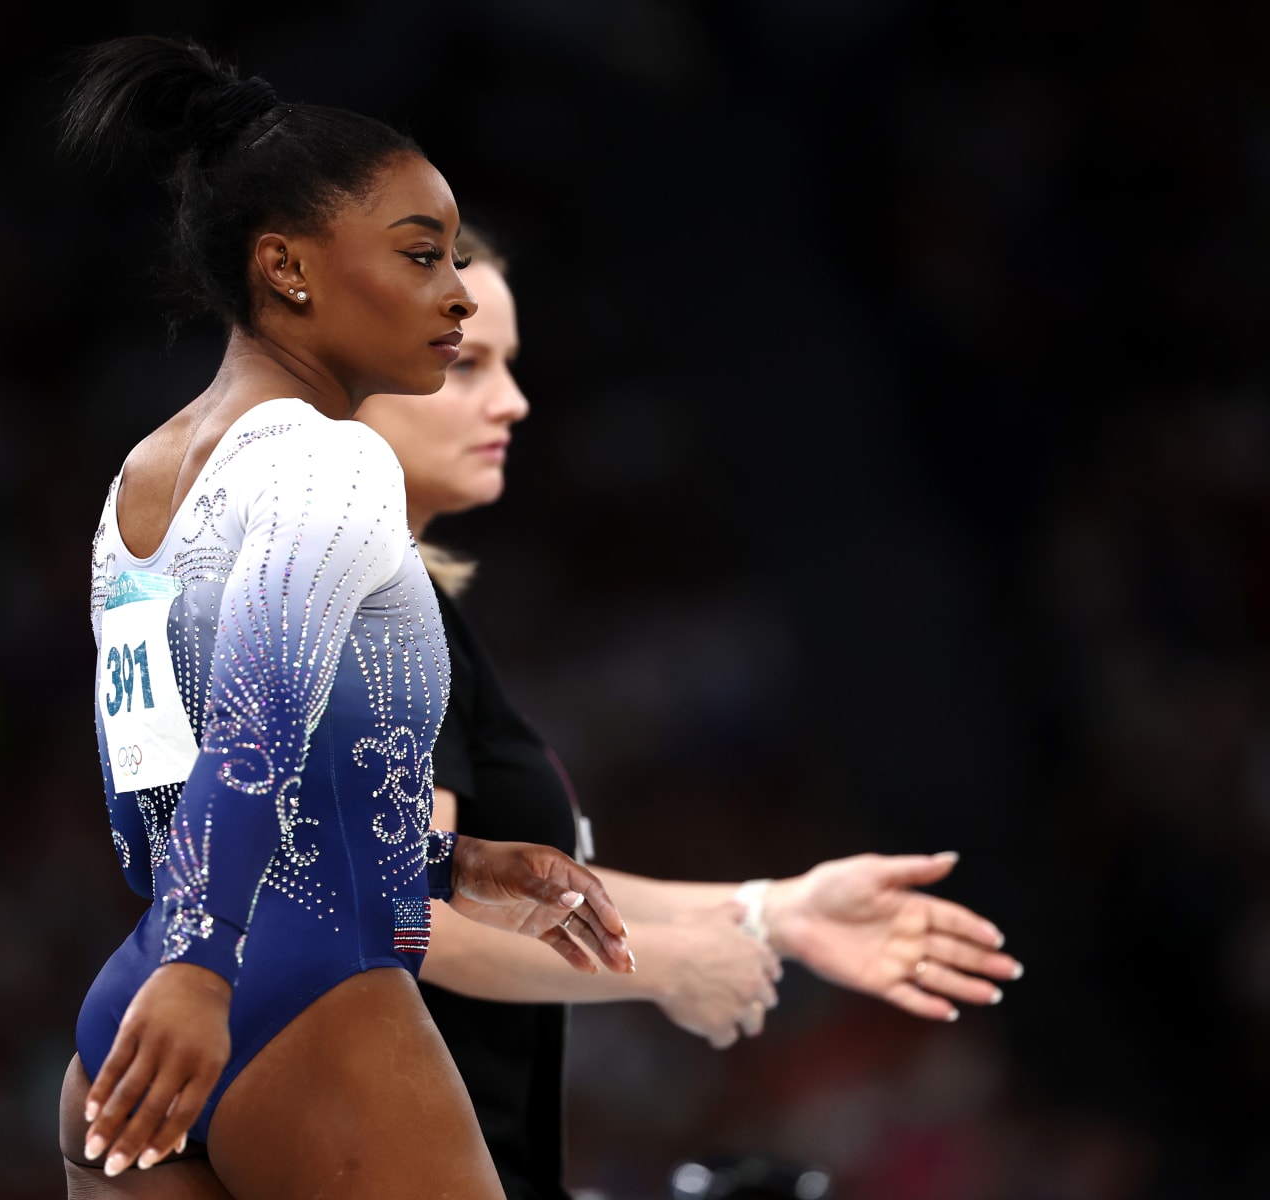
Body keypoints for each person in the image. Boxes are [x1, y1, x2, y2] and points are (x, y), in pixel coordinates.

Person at [59, 222, 1023, 1199]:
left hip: (176, 1017)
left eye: (505, 365)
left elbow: (436, 875)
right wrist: (659, 972)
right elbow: (400, 917)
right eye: (463, 363)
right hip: (317, 1050)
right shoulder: (370, 616)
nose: (510, 401)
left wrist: (767, 911)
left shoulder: (333, 593)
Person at [58, 38, 634, 1200]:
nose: (460, 295)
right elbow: (256, 729)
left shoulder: (140, 483)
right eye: (422, 257)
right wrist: (213, 969)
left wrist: (443, 857)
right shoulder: (333, 465)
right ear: (287, 268)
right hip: (298, 1001)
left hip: (134, 1023)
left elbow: (149, 808)